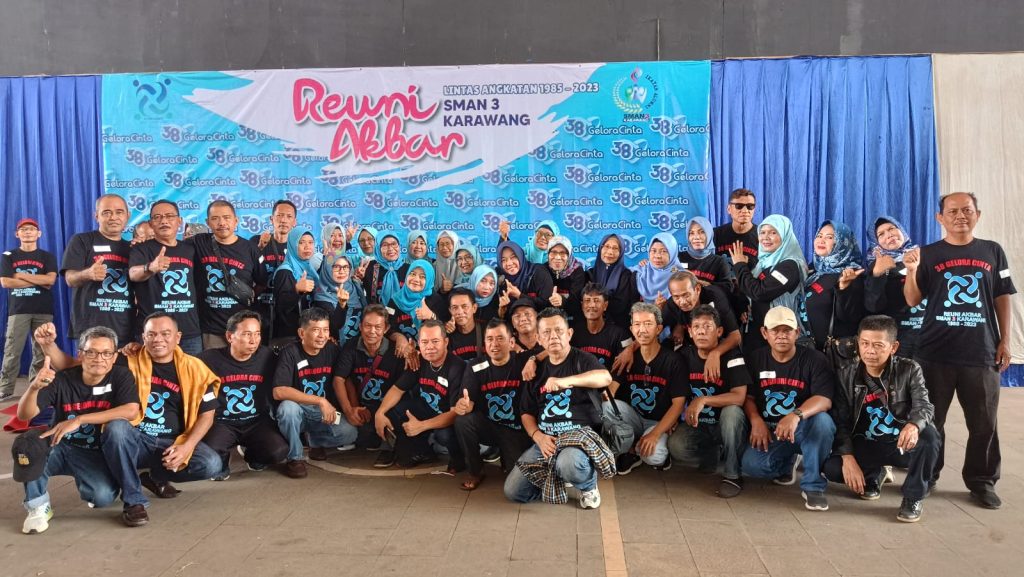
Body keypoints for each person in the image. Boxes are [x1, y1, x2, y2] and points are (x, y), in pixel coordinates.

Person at [903, 192, 1015, 509]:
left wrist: (1005, 339)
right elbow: (912, 299)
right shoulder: (928, 253)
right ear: (940, 218)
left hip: (981, 352)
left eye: (967, 210)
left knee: (984, 424)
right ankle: (926, 477)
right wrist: (911, 271)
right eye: (952, 211)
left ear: (978, 214)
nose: (960, 216)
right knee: (930, 421)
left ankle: (982, 481)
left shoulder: (993, 251)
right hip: (934, 353)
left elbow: (1002, 295)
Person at [15, 326, 140, 533]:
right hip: (58, 444)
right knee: (28, 446)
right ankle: (37, 506)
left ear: (114, 357)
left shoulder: (121, 376)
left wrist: (80, 419)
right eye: (91, 352)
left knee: (102, 497)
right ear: (80, 354)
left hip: (91, 452)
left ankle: (90, 486)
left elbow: (131, 411)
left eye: (106, 353)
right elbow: (24, 415)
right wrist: (34, 387)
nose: (99, 359)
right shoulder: (62, 379)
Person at [100, 313, 223, 522]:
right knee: (116, 428)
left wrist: (186, 447)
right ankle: (133, 501)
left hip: (172, 443)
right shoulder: (126, 361)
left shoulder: (196, 369)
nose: (158, 339)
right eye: (151, 334)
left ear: (178, 337)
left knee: (211, 464)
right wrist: (49, 347)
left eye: (165, 334)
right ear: (143, 337)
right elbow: (82, 367)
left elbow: (207, 415)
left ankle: (154, 476)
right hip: (134, 440)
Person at [823, 315, 940, 522]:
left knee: (929, 436)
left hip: (900, 445)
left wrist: (914, 425)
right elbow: (840, 421)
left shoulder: (909, 369)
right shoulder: (846, 375)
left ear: (893, 347)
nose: (870, 351)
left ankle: (913, 497)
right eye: (865, 343)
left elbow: (924, 405)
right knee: (832, 469)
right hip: (867, 443)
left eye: (878, 345)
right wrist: (847, 457)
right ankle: (873, 475)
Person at [503, 308, 614, 508]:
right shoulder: (535, 370)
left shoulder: (582, 359)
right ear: (539, 338)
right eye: (546, 332)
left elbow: (605, 377)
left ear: (569, 333)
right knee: (514, 491)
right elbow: (526, 412)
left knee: (569, 462)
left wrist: (566, 381)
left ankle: (588, 486)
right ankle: (557, 477)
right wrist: (538, 436)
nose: (553, 336)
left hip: (578, 437)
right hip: (546, 440)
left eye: (559, 331)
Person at [741, 306, 836, 511]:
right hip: (771, 431)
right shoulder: (755, 359)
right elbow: (747, 397)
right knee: (752, 466)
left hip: (803, 428)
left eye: (787, 330)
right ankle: (787, 462)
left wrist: (795, 415)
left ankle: (813, 486)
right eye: (775, 330)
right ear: (764, 333)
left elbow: (824, 399)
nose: (782, 336)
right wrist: (755, 420)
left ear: (797, 332)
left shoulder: (815, 359)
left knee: (823, 422)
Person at [668, 305, 751, 498]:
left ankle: (733, 474)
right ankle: (711, 452)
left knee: (732, 412)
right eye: (696, 327)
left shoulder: (733, 356)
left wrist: (703, 400)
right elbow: (676, 394)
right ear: (690, 331)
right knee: (676, 446)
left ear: (719, 331)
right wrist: (672, 419)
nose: (701, 331)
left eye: (707, 326)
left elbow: (739, 396)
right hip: (699, 424)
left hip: (725, 425)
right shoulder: (683, 357)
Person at [198, 311, 288, 477]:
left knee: (278, 451)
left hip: (256, 421)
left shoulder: (268, 356)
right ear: (230, 336)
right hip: (222, 422)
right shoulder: (208, 359)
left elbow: (293, 359)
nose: (253, 340)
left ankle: (252, 456)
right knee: (210, 457)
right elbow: (181, 368)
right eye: (247, 334)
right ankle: (222, 462)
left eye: (257, 334)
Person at [273, 307, 357, 478]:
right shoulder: (290, 352)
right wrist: (320, 401)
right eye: (316, 330)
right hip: (298, 409)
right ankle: (295, 458)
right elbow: (279, 391)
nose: (322, 335)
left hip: (322, 413)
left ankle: (314, 441)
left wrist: (352, 407)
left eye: (325, 330)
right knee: (287, 409)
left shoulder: (332, 350)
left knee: (350, 433)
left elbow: (344, 378)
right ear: (302, 333)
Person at [375, 319, 467, 471]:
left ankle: (459, 458)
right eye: (424, 342)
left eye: (435, 341)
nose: (429, 347)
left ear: (445, 342)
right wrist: (380, 412)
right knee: (393, 411)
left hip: (449, 417)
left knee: (444, 435)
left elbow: (455, 413)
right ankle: (422, 452)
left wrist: (421, 426)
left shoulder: (457, 367)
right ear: (419, 343)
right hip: (427, 408)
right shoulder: (419, 360)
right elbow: (397, 389)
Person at [605, 303, 686, 473]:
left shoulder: (673, 360)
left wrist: (655, 434)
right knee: (606, 406)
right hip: (633, 418)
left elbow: (678, 404)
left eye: (648, 324)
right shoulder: (627, 357)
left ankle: (643, 449)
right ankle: (630, 446)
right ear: (631, 329)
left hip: (658, 421)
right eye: (637, 324)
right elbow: (610, 392)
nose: (642, 329)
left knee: (653, 456)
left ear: (658, 329)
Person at [453, 319, 532, 490]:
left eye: (500, 338)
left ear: (512, 342)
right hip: (488, 426)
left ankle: (506, 457)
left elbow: (550, 350)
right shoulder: (475, 366)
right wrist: (464, 405)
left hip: (516, 430)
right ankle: (475, 471)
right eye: (489, 339)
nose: (494, 344)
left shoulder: (523, 361)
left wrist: (534, 358)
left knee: (519, 482)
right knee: (463, 421)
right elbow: (467, 401)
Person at [333, 304, 405, 467]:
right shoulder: (351, 346)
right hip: (362, 406)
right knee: (363, 436)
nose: (372, 331)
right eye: (367, 326)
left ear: (386, 329)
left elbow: (401, 389)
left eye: (378, 327)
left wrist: (382, 411)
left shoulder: (395, 352)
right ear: (360, 327)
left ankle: (389, 449)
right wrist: (350, 410)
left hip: (387, 407)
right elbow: (339, 379)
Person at [128, 200, 202, 355]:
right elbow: (133, 274)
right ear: (151, 224)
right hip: (154, 333)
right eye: (158, 217)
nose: (164, 221)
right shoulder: (140, 249)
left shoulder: (191, 249)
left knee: (192, 371)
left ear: (179, 221)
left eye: (169, 216)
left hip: (189, 332)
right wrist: (150, 267)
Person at [61, 194, 134, 348]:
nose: (113, 217)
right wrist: (88, 273)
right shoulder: (82, 240)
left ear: (128, 216)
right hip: (90, 330)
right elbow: (70, 279)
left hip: (125, 330)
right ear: (96, 216)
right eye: (106, 212)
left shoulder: (133, 249)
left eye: (119, 212)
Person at [193, 200, 266, 349]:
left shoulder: (250, 249)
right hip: (211, 329)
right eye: (215, 218)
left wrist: (248, 295)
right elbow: (172, 245)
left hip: (242, 328)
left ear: (236, 221)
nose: (221, 223)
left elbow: (262, 282)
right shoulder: (198, 243)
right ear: (207, 222)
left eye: (226, 217)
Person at [730, 215, 807, 350]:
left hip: (779, 337)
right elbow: (749, 290)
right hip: (758, 335)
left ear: (785, 236)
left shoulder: (789, 266)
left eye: (773, 232)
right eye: (762, 232)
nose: (766, 237)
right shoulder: (762, 263)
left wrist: (740, 266)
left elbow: (760, 292)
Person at [1, 217, 58, 401]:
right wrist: (39, 280)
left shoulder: (47, 257)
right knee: (12, 350)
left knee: (42, 350)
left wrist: (20, 275)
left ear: (38, 233)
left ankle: (37, 384)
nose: (27, 232)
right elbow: (6, 282)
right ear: (17, 234)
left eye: (31, 229)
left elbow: (50, 280)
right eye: (23, 229)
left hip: (43, 309)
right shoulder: (8, 256)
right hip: (18, 310)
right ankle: (5, 388)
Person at [864, 216, 924, 357]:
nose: (889, 235)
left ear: (902, 230)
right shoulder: (877, 264)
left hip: (928, 335)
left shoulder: (922, 256)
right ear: (876, 242)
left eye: (892, 228)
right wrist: (877, 275)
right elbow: (873, 307)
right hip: (898, 340)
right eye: (881, 234)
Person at [801, 220, 865, 351]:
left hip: (831, 353)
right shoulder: (813, 269)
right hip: (806, 348)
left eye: (829, 237)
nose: (821, 240)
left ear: (842, 242)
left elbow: (850, 318)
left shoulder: (851, 274)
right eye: (819, 236)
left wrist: (843, 289)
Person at [661, 271, 741, 373]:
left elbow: (735, 336)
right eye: (676, 297)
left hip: (724, 343)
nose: (682, 302)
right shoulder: (671, 304)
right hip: (693, 349)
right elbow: (655, 327)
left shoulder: (716, 296)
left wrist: (715, 354)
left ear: (697, 289)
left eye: (686, 295)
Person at [252, 200, 298, 338]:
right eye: (279, 215)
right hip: (260, 310)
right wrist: (260, 248)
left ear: (294, 222)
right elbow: (246, 270)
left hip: (288, 312)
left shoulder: (299, 246)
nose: (283, 220)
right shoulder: (256, 241)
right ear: (272, 219)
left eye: (289, 216)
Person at [271, 228, 319, 347]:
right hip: (291, 335)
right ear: (293, 245)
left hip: (307, 331)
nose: (307, 247)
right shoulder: (285, 272)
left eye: (311, 242)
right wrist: (296, 290)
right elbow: (281, 306)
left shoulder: (309, 269)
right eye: (301, 242)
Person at [383, 259, 446, 345]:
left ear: (429, 280)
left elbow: (446, 330)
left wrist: (431, 316)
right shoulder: (395, 300)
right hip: (402, 350)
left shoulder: (436, 300)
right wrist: (398, 337)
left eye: (422, 277)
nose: (416, 279)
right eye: (412, 274)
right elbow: (386, 327)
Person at [568, 283, 631, 369]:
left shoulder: (620, 334)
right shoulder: (573, 333)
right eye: (587, 300)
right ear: (582, 305)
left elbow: (630, 347)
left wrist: (631, 348)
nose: (592, 305)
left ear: (605, 305)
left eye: (596, 300)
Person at [587, 233, 641, 329]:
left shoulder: (626, 275)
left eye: (615, 248)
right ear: (600, 249)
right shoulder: (589, 274)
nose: (610, 252)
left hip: (618, 327)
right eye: (607, 246)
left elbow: (621, 305)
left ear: (621, 252)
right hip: (591, 326)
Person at [314, 254, 366, 349]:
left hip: (361, 346)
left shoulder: (355, 285)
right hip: (338, 349)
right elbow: (334, 327)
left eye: (345, 267)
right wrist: (341, 305)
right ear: (327, 269)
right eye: (336, 267)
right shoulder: (322, 297)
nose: (341, 271)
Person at [678, 216, 731, 292]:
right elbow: (670, 276)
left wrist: (700, 282)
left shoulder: (719, 262)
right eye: (691, 233)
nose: (696, 237)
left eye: (702, 232)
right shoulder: (679, 258)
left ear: (709, 234)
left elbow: (727, 288)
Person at [497, 240, 554, 308]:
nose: (509, 263)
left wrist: (520, 296)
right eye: (503, 260)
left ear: (520, 255)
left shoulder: (538, 272)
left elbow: (547, 304)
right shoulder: (500, 281)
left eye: (513, 257)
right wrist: (502, 310)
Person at [546, 236, 586, 322]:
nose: (557, 257)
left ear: (569, 255)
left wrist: (562, 300)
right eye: (553, 252)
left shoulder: (577, 271)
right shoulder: (544, 269)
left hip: (572, 318)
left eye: (562, 253)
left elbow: (576, 302)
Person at [634, 233, 682, 304]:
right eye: (653, 251)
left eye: (664, 251)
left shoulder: (681, 276)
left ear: (672, 253)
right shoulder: (641, 271)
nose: (657, 256)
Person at [363, 232, 409, 305]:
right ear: (378, 248)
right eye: (385, 245)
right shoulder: (369, 267)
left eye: (394, 244)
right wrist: (358, 279)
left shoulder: (409, 269)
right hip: (377, 311)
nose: (390, 248)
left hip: (404, 312)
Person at [446, 287, 483, 361]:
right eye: (455, 308)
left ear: (474, 308)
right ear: (450, 311)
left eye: (464, 306)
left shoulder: (487, 331)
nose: (460, 312)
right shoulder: (446, 335)